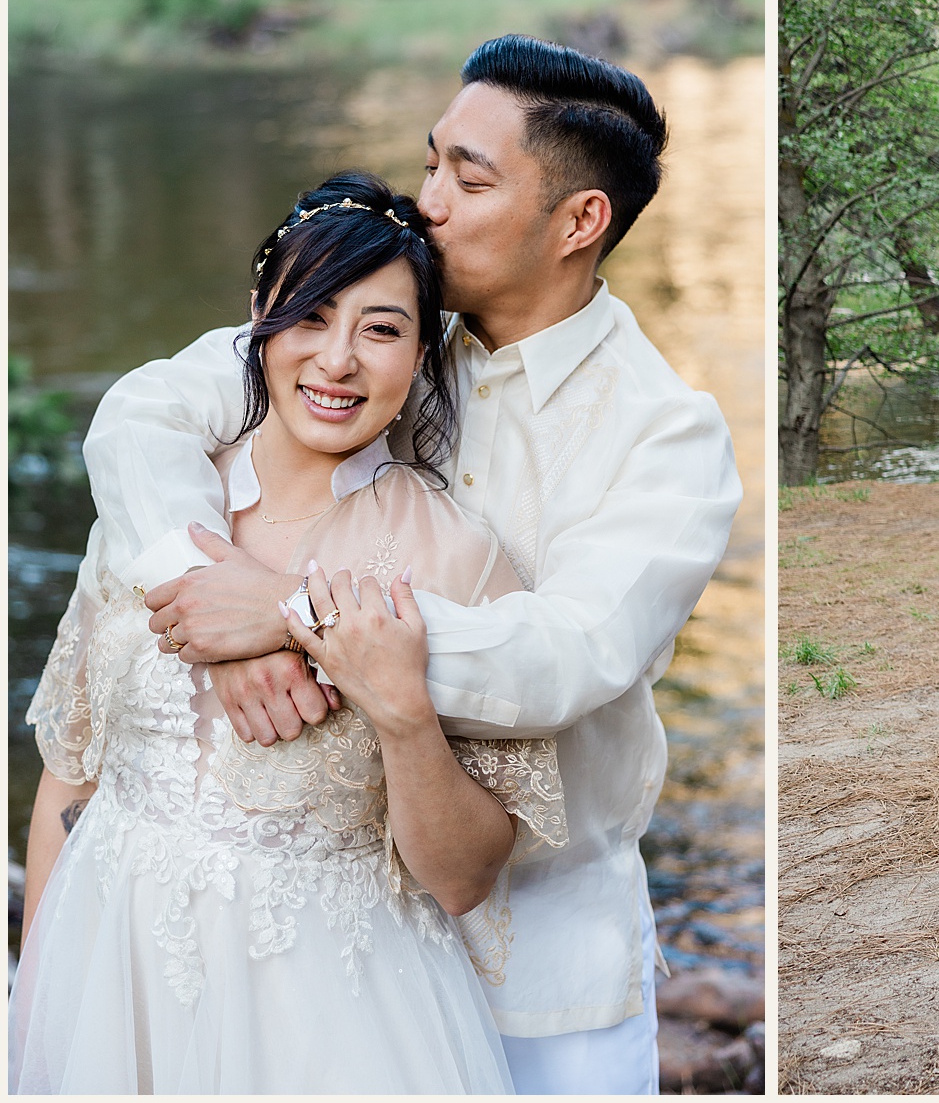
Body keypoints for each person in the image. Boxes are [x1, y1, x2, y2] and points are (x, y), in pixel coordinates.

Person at [73, 35, 741, 1093]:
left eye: (467, 179)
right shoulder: (378, 334)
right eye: (431, 161)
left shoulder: (666, 434)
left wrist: (291, 616)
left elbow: (570, 653)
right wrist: (196, 591)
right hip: (311, 943)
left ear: (580, 222)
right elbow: (141, 413)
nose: (426, 200)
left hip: (536, 966)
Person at [12, 174, 559, 1093]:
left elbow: (466, 878)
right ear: (259, 320)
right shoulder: (154, 509)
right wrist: (37, 1001)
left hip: (326, 1016)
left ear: (423, 351)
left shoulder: (457, 560)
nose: (337, 360)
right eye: (309, 315)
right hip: (107, 979)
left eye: (381, 329)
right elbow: (70, 775)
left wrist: (402, 714)